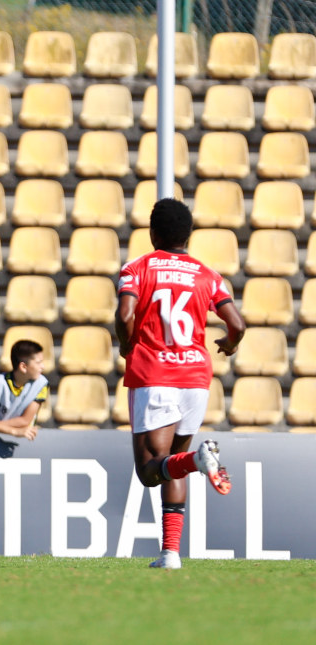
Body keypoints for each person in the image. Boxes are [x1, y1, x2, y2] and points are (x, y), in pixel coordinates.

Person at [115, 198, 243, 570]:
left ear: (153, 233)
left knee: (149, 471)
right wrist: (230, 345)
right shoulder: (206, 274)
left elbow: (125, 314)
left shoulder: (137, 268)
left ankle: (199, 460)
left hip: (155, 375)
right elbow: (237, 324)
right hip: (195, 378)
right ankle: (170, 554)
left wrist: (127, 345)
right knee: (175, 462)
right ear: (188, 235)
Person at [0, 340, 48, 441]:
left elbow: (25, 421)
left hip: (25, 439)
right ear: (23, 367)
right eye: (38, 362)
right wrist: (13, 431)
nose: (43, 367)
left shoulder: (41, 384)